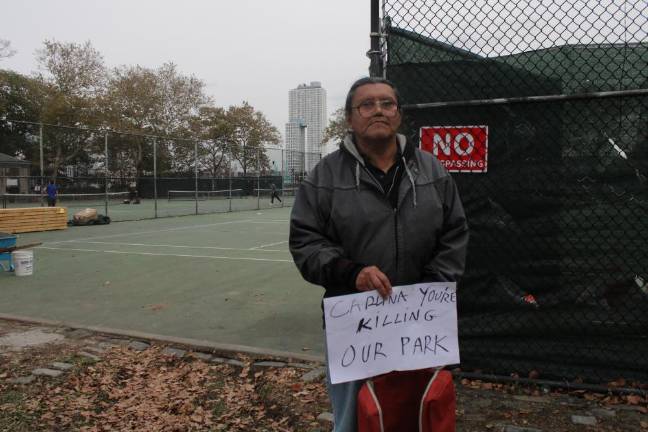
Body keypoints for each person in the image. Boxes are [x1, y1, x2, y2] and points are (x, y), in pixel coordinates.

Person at [289, 77, 469, 432]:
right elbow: (305, 243)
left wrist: (432, 286)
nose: (378, 111)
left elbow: (455, 233)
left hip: (422, 321)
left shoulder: (433, 170)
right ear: (350, 118)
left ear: (399, 115)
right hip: (356, 323)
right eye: (367, 105)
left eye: (387, 104)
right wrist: (350, 272)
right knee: (353, 418)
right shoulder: (323, 177)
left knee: (419, 412)